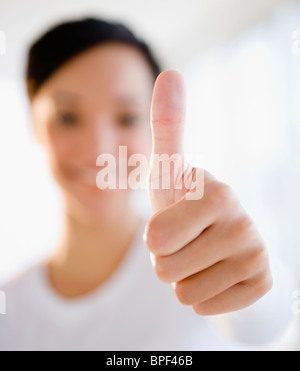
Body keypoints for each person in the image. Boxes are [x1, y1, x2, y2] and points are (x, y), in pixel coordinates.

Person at [0, 17, 294, 351]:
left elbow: (264, 324)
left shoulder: (196, 263)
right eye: (67, 117)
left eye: (127, 117)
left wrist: (252, 284)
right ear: (35, 127)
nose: (99, 150)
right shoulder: (8, 311)